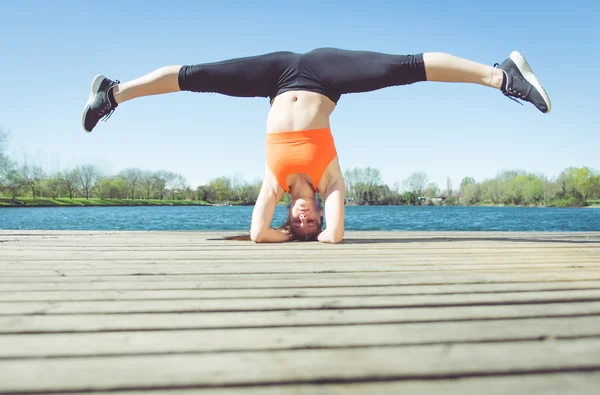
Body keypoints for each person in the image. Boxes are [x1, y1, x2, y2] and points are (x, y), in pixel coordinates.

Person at [82, 48, 551, 243]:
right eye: (312, 223)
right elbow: (334, 238)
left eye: (298, 223)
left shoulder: (274, 183)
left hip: (275, 75)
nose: (306, 220)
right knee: (403, 67)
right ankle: (501, 75)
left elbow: (255, 234)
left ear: (289, 212)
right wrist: (317, 234)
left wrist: (280, 235)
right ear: (320, 214)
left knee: (195, 78)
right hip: (327, 76)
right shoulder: (331, 183)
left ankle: (112, 92)